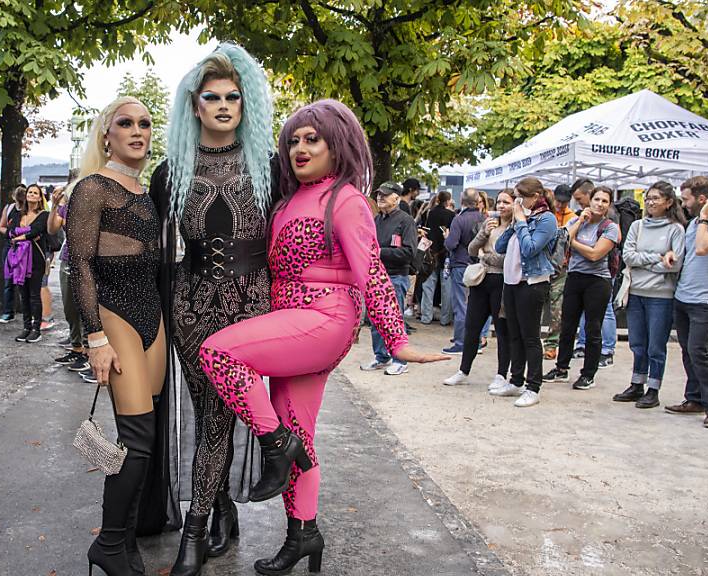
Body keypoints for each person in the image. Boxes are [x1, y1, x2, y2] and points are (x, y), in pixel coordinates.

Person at [198, 100, 447, 575]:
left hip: (324, 317)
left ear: (339, 144)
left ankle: (275, 444)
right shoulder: (291, 199)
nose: (300, 148)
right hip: (293, 319)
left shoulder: (347, 199)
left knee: (218, 353)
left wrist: (396, 340)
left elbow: (370, 268)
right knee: (301, 432)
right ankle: (304, 535)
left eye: (312, 139)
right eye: (293, 140)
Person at [148, 44, 278, 574]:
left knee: (223, 413)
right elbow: (152, 248)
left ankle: (196, 534)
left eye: (233, 97)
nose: (224, 105)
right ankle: (219, 511)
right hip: (192, 302)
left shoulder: (268, 165)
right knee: (211, 413)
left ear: (244, 105)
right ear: (194, 105)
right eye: (212, 97)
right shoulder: (170, 169)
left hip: (253, 304)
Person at [66, 96, 167, 576]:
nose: (137, 130)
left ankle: (123, 541)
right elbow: (79, 264)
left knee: (146, 437)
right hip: (115, 315)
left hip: (153, 318)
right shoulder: (92, 188)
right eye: (125, 123)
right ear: (106, 133)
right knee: (137, 437)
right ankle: (108, 544)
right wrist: (95, 337)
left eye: (145, 123)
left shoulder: (144, 192)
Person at [612, 181, 686, 409]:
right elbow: (629, 256)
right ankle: (637, 383)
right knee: (637, 342)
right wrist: (658, 258)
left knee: (656, 345)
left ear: (669, 202)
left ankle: (653, 388)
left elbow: (675, 265)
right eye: (649, 197)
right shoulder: (637, 226)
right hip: (636, 292)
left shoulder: (676, 229)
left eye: (656, 198)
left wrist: (647, 260)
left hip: (661, 295)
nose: (651, 202)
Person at [543, 186, 620, 391]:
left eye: (604, 201)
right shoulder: (578, 220)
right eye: (597, 199)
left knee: (592, 328)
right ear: (589, 200)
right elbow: (562, 241)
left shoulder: (610, 227)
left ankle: (588, 373)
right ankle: (561, 368)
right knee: (567, 326)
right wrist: (579, 223)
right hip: (575, 277)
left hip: (598, 280)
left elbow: (595, 254)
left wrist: (573, 242)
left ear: (608, 205)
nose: (599, 204)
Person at [492, 177, 558, 407]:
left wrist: (520, 222)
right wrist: (514, 222)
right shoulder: (522, 218)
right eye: (517, 196)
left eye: (523, 196)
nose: (519, 201)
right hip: (511, 282)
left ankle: (533, 386)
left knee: (530, 337)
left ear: (536, 196)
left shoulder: (546, 219)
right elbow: (499, 248)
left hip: (532, 282)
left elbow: (530, 249)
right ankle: (516, 380)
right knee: (514, 334)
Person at [444, 189, 514, 389]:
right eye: (499, 202)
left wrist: (485, 255)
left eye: (506, 202)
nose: (501, 206)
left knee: (502, 330)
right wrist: (484, 233)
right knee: (472, 326)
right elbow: (472, 249)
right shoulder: (488, 223)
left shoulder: (516, 228)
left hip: (502, 282)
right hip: (481, 280)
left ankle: (501, 374)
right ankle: (463, 370)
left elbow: (506, 259)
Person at [664, 176, 708, 429]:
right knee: (687, 351)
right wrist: (673, 254)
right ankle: (695, 399)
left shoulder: (704, 223)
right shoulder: (694, 223)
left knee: (699, 351)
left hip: (705, 300)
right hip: (684, 295)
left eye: (686, 199)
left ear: (702, 199)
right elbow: (690, 253)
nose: (684, 204)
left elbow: (704, 248)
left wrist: (705, 217)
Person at [360, 181, 415, 376]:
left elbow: (409, 252)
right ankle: (381, 356)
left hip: (396, 275)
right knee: (376, 318)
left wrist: (379, 252)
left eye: (385, 195)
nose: (380, 198)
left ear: (396, 198)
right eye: (379, 194)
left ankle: (400, 360)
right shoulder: (377, 220)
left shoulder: (405, 221)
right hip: (376, 276)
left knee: (395, 318)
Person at [48, 185, 90, 372]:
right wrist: (54, 206)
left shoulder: (94, 207)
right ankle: (77, 348)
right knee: (69, 307)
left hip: (89, 261)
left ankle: (89, 353)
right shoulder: (66, 208)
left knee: (88, 308)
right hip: (68, 259)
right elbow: (51, 229)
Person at [443, 189, 486, 354]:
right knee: (477, 305)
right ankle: (477, 340)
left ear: (461, 200)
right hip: (480, 265)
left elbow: (451, 244)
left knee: (460, 305)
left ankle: (461, 342)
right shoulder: (484, 219)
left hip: (461, 264)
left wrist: (447, 237)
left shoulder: (459, 220)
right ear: (478, 200)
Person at [6, 184, 49, 343]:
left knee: (34, 294)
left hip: (36, 258)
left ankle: (36, 328)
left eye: (35, 193)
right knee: (23, 294)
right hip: (19, 259)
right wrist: (24, 236)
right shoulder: (17, 214)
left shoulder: (44, 215)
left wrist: (19, 235)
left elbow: (36, 231)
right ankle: (26, 327)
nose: (31, 194)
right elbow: (8, 231)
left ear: (39, 197)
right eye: (30, 192)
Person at [542, 184, 576, 359]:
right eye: (558, 201)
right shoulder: (547, 215)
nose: (560, 204)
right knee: (537, 305)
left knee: (557, 309)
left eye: (564, 202)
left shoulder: (573, 218)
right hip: (543, 266)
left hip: (561, 269)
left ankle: (551, 344)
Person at [419, 190, 455, 325]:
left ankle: (426, 316)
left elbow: (427, 232)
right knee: (447, 287)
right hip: (445, 254)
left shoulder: (431, 213)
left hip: (431, 253)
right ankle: (445, 319)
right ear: (448, 200)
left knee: (428, 286)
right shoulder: (452, 215)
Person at [0, 184, 23, 324]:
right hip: (10, 246)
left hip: (24, 247)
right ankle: (8, 311)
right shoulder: (9, 208)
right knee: (8, 280)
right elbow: (1, 226)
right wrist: (9, 233)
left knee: (25, 280)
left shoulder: (29, 210)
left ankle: (27, 311)